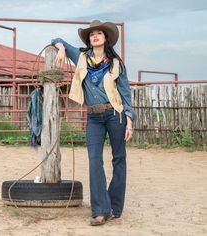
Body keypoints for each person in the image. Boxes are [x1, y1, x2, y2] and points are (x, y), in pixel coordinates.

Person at [51, 20, 137, 226]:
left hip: (115, 114)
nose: (95, 36)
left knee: (119, 159)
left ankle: (115, 208)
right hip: (93, 117)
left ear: (106, 38)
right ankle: (100, 210)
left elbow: (125, 94)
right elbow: (56, 39)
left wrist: (129, 120)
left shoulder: (116, 63)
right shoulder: (81, 56)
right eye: (92, 34)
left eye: (99, 33)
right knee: (94, 160)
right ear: (89, 40)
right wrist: (61, 48)